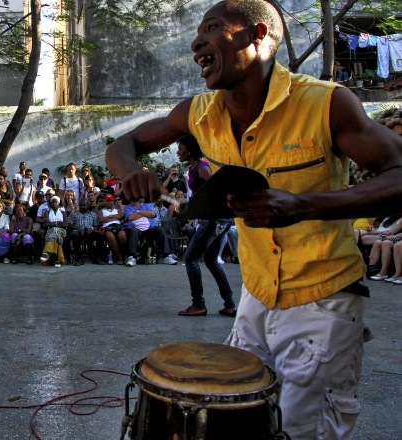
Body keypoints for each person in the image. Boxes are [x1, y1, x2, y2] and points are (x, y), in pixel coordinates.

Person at [105, 1, 402, 438]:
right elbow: (124, 142)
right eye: (198, 32)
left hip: (324, 299)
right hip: (257, 296)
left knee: (303, 429)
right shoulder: (199, 113)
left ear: (257, 35)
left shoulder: (326, 104)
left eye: (213, 28)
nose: (196, 42)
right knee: (244, 422)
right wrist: (131, 171)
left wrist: (304, 206)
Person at [174, 136, 236, 316]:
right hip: (219, 218)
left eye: (181, 148)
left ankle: (198, 304)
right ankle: (230, 305)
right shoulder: (194, 168)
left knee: (190, 258)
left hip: (214, 219)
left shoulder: (201, 167)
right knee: (211, 260)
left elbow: (217, 189)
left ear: (190, 150)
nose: (178, 152)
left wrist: (204, 209)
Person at [40, 196, 67, 267]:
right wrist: (57, 223)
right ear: (50, 204)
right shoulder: (47, 212)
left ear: (59, 203)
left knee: (55, 232)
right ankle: (58, 260)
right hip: (50, 230)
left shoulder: (63, 212)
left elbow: (65, 224)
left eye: (56, 202)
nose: (54, 203)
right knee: (56, 236)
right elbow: (46, 224)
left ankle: (47, 253)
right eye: (53, 202)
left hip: (62, 230)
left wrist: (54, 225)